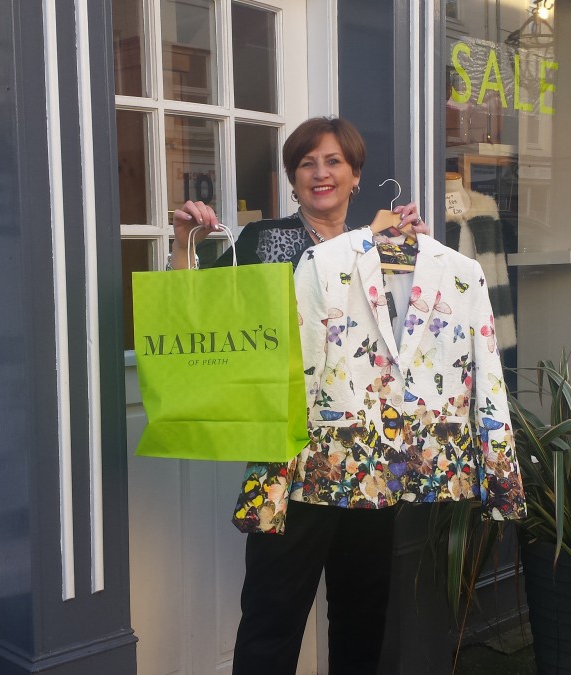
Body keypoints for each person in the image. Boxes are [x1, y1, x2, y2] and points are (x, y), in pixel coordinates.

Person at [172, 117, 425, 675]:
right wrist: (184, 243)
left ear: (356, 176)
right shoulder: (264, 241)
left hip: (369, 455)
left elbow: (417, 340)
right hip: (287, 456)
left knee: (362, 615)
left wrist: (419, 259)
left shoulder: (386, 251)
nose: (320, 173)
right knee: (272, 614)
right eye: (307, 163)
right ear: (293, 179)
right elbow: (197, 317)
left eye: (333, 161)